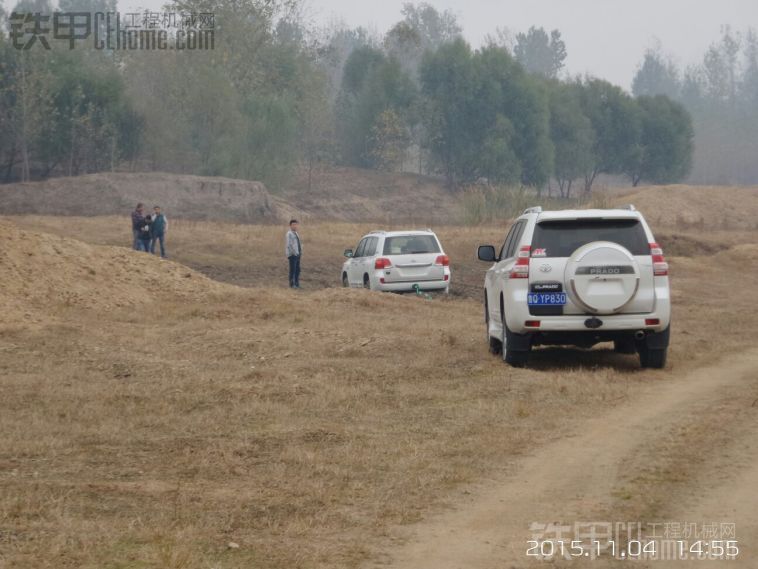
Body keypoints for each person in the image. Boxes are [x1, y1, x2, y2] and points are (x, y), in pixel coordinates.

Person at [285, 219, 302, 288]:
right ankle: (292, 284)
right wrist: (294, 253)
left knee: (298, 270)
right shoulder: (289, 234)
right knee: (293, 270)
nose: (295, 226)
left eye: (296, 225)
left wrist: (299, 252)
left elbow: (297, 244)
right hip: (292, 255)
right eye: (293, 225)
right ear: (290, 225)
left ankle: (297, 283)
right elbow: (289, 245)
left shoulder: (296, 233)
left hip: (297, 254)